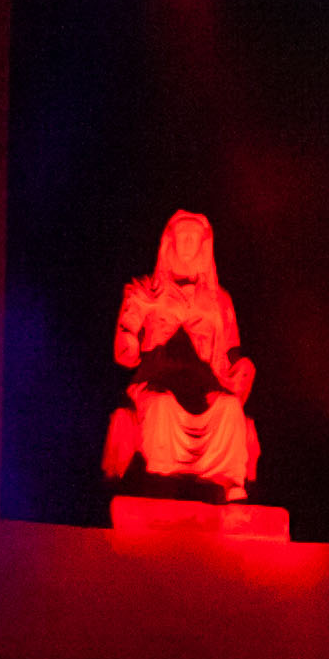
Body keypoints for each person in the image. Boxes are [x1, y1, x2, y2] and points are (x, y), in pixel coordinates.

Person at [103, 209, 265, 502]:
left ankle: (230, 483)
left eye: (194, 237)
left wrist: (240, 365)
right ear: (171, 242)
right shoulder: (145, 291)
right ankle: (160, 478)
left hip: (204, 381)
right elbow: (128, 332)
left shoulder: (219, 300)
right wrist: (128, 338)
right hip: (159, 375)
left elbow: (231, 348)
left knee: (229, 410)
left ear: (204, 245)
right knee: (161, 406)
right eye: (183, 236)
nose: (188, 241)